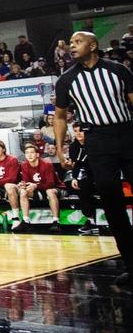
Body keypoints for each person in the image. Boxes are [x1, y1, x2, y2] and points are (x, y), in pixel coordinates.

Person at [53, 31, 133, 283]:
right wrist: (59, 147)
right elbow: (59, 116)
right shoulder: (66, 80)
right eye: (71, 43)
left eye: (77, 42)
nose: (71, 46)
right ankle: (131, 262)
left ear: (93, 45)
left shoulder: (118, 70)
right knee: (111, 199)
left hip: (127, 132)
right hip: (96, 139)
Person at [19, 143, 61, 233]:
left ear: (37, 154)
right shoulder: (24, 165)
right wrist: (24, 185)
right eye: (27, 153)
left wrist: (35, 185)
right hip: (38, 190)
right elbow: (27, 182)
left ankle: (56, 222)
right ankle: (26, 221)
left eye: (32, 152)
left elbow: (51, 183)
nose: (29, 155)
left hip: (55, 188)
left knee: (50, 191)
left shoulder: (47, 164)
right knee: (23, 191)